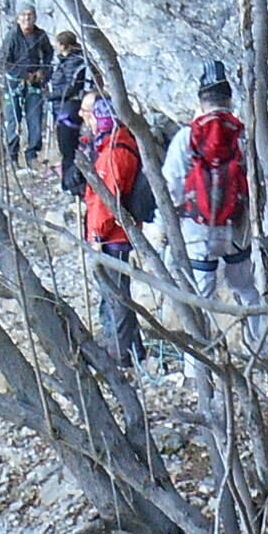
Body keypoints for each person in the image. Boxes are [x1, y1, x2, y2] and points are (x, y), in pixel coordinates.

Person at [167, 61, 262, 351]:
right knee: (245, 288)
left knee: (200, 298)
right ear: (229, 100)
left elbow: (171, 186)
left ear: (201, 101)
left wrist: (165, 226)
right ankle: (260, 346)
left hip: (198, 229)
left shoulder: (187, 138)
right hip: (236, 227)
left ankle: (199, 362)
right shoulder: (243, 136)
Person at [81, 90, 150, 368]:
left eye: (92, 117)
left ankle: (121, 354)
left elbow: (106, 199)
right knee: (115, 293)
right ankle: (133, 348)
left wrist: (97, 235)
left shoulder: (116, 152)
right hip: (113, 233)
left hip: (113, 236)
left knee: (115, 296)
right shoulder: (115, 146)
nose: (88, 122)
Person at [0, 7, 53, 168]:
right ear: (18, 18)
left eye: (30, 15)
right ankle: (12, 156)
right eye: (23, 15)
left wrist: (43, 72)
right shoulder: (12, 36)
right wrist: (23, 74)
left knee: (35, 118)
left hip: (35, 83)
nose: (27, 18)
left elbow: (48, 55)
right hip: (15, 83)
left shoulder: (41, 35)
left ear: (35, 17)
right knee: (14, 120)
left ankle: (32, 155)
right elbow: (3, 61)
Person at [46, 30, 92, 194]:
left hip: (68, 109)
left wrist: (51, 96)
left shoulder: (74, 62)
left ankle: (70, 185)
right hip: (64, 107)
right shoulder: (66, 60)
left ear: (63, 45)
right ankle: (71, 182)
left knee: (68, 150)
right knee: (68, 149)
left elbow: (71, 87)